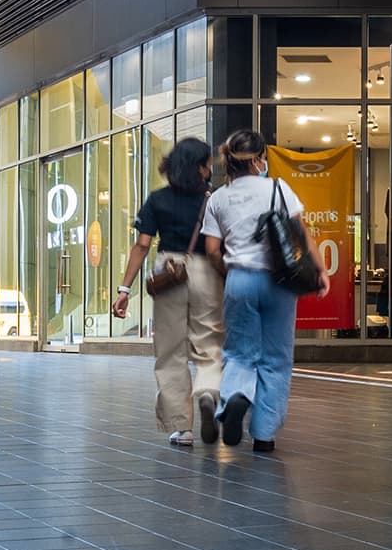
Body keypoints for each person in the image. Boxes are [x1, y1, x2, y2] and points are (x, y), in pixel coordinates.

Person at [201, 128, 316, 453]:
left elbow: (212, 249)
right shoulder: (279, 188)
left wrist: (229, 272)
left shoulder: (219, 197)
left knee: (239, 352)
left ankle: (237, 396)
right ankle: (263, 435)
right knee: (276, 359)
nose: (265, 162)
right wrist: (318, 273)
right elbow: (302, 236)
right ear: (256, 160)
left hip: (240, 279)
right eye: (263, 157)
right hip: (279, 281)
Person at [115, 137, 223, 447]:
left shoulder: (157, 199)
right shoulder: (213, 198)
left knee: (170, 351)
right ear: (201, 167)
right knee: (208, 342)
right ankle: (207, 392)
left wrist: (125, 289)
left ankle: (182, 427)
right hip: (206, 270)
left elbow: (142, 245)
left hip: (169, 271)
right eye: (207, 163)